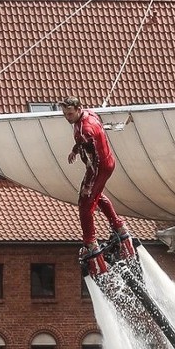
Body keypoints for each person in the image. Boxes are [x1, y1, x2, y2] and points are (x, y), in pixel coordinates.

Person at [60, 95, 132, 273]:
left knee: (85, 204)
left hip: (98, 168)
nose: (67, 117)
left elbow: (93, 156)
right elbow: (83, 143)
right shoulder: (89, 115)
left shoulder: (84, 130)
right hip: (107, 163)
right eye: (65, 114)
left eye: (69, 114)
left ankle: (91, 242)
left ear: (78, 110)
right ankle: (118, 226)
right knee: (97, 195)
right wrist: (75, 151)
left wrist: (89, 183)